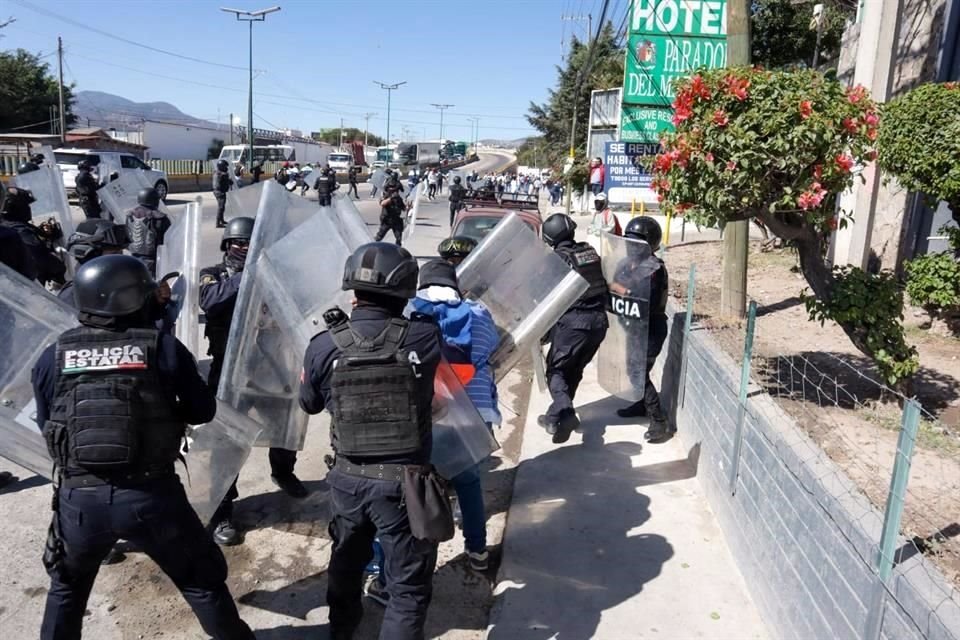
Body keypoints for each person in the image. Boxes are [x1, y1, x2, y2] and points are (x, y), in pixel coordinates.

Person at [31, 255, 255, 640]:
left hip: (78, 500)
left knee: (66, 591)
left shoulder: (53, 355)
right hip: (152, 497)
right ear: (134, 298)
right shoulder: (163, 347)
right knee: (202, 584)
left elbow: (47, 422)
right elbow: (203, 410)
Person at [299, 242, 442, 640]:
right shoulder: (425, 338)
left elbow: (308, 404)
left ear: (352, 291)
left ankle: (341, 633)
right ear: (405, 290)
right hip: (403, 487)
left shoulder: (323, 344)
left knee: (345, 567)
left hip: (347, 480)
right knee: (407, 589)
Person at [199, 218, 308, 546]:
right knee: (227, 443)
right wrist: (250, 276)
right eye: (239, 244)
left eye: (251, 245)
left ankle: (283, 470)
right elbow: (210, 300)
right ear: (228, 245)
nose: (245, 250)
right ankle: (222, 509)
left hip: (273, 366)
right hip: (231, 373)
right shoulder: (215, 273)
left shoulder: (273, 274)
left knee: (286, 426)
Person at [537, 213, 609, 444]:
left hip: (573, 324)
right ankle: (560, 417)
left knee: (556, 371)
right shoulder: (589, 252)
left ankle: (562, 406)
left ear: (550, 236)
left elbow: (543, 294)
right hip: (598, 323)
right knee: (574, 371)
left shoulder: (556, 259)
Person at [611, 217, 674, 443]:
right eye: (629, 240)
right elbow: (616, 283)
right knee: (634, 371)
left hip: (650, 328)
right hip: (633, 326)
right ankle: (642, 403)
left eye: (637, 242)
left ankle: (658, 420)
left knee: (638, 372)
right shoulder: (626, 264)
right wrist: (620, 289)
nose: (631, 245)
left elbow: (636, 291)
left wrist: (622, 290)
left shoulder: (654, 269)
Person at [0, 186, 66, 287]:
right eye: (26, 206)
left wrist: (45, 234)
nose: (28, 209)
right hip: (26, 289)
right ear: (14, 207)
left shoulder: (9, 224)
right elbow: (39, 258)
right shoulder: (16, 232)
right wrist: (59, 267)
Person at [59, 219, 130, 306]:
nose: (121, 258)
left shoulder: (120, 283)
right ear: (92, 257)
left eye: (121, 252)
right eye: (114, 254)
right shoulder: (74, 297)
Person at [126, 187, 171, 276]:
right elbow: (168, 239)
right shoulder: (159, 218)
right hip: (152, 261)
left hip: (133, 259)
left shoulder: (130, 215)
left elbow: (127, 235)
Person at [374, 182, 407, 247]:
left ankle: (397, 251)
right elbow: (382, 203)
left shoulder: (398, 198)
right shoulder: (386, 195)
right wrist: (391, 198)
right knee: (379, 237)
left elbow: (404, 208)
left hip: (396, 220)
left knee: (399, 238)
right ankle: (371, 248)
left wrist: (408, 206)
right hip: (387, 220)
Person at [212, 159, 233, 229]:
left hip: (218, 191)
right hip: (220, 192)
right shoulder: (222, 174)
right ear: (221, 166)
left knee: (222, 207)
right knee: (221, 207)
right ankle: (218, 223)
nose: (226, 168)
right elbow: (229, 182)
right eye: (225, 166)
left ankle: (222, 220)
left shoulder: (217, 172)